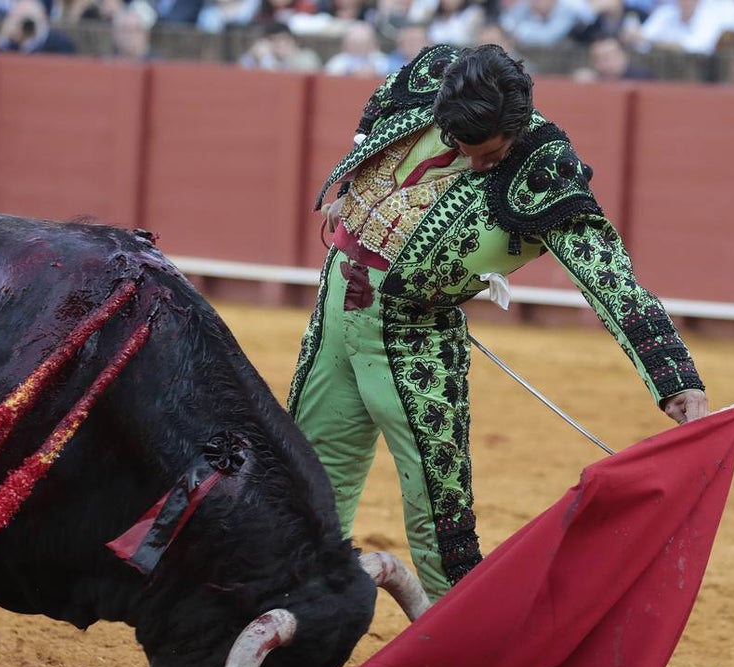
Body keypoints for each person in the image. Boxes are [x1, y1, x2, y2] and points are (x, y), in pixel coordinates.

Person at [288, 44, 708, 601]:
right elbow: (379, 108)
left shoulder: (545, 169)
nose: (480, 162)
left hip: (415, 338)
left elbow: (609, 277)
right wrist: (354, 176)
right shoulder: (433, 73)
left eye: (491, 152)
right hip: (337, 300)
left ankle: (462, 644)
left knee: (441, 519)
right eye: (466, 147)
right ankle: (302, 614)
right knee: (309, 478)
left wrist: (675, 378)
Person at [238, 19, 322, 70]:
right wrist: (252, 55)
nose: (280, 44)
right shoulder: (264, 55)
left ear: (294, 41)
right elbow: (240, 69)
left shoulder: (306, 57)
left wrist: (266, 59)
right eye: (274, 40)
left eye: (284, 39)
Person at [572, 32, 653, 80]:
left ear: (624, 55)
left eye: (607, 58)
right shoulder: (593, 79)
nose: (604, 64)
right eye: (597, 59)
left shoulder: (642, 78)